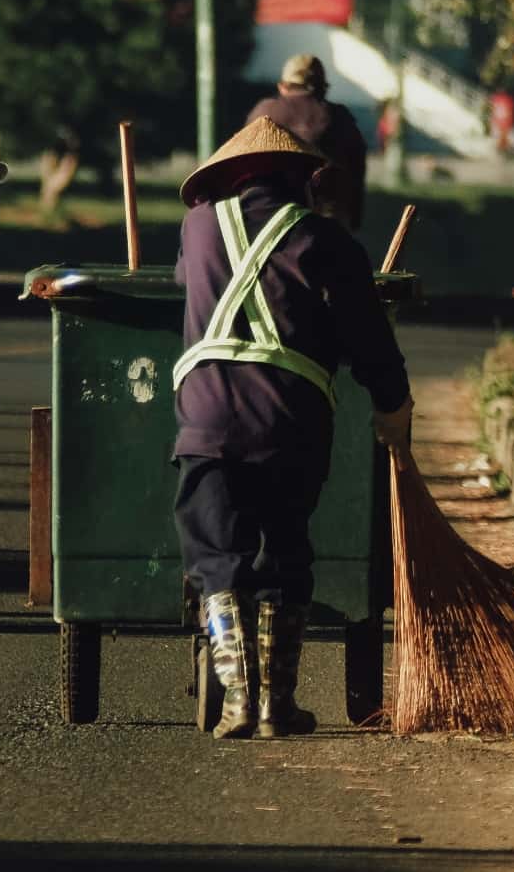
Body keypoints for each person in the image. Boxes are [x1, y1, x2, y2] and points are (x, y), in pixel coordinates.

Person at [170, 116, 411, 742]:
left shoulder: (197, 228)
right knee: (282, 550)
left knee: (217, 557)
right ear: (304, 179)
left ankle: (236, 703)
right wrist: (394, 407)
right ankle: (277, 706)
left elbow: (185, 288)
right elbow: (368, 339)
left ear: (231, 178)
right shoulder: (328, 241)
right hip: (290, 423)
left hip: (206, 423)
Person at [244, 53, 369, 233]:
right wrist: (354, 219)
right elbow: (357, 171)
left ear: (283, 86)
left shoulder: (262, 113)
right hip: (326, 224)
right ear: (323, 88)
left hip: (267, 221)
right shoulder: (340, 118)